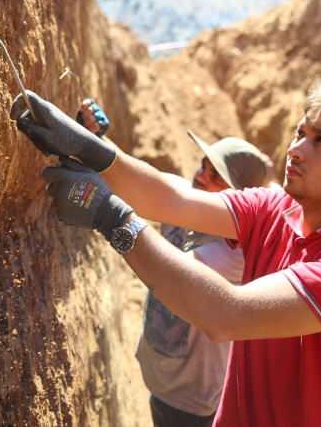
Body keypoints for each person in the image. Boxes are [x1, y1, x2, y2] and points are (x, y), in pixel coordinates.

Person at [13, 74, 321, 426]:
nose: (296, 149)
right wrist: (93, 150)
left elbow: (228, 314)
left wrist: (111, 217)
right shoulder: (273, 208)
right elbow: (171, 197)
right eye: (300, 132)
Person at [76, 99, 273, 427]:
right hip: (164, 381)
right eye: (203, 164)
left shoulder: (226, 259)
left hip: (193, 404)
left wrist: (110, 218)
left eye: (215, 175)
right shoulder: (191, 209)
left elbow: (163, 269)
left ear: (241, 198)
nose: (200, 176)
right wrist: (98, 139)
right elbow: (141, 183)